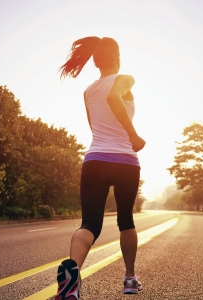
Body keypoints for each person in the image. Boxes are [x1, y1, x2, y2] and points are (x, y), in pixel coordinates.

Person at [54, 36, 146, 300]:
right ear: (118, 58)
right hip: (125, 160)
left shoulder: (88, 90)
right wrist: (132, 135)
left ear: (95, 62)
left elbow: (94, 126)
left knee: (90, 224)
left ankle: (72, 279)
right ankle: (130, 279)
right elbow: (113, 97)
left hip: (95, 159)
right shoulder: (125, 78)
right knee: (125, 219)